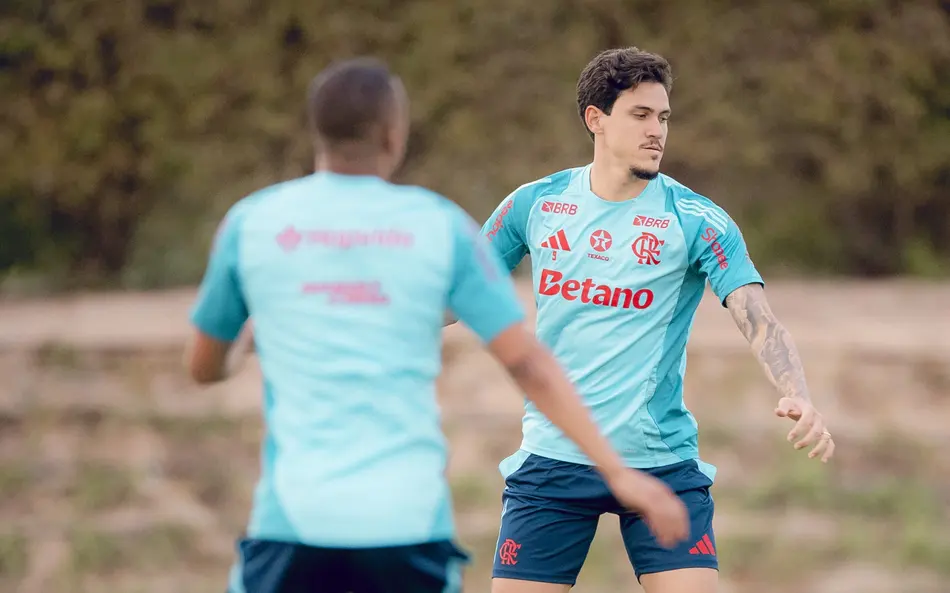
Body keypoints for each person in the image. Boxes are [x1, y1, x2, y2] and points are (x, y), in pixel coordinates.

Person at [184, 57, 690, 593]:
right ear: (393, 134)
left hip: (288, 525)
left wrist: (246, 345)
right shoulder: (439, 226)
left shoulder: (251, 222)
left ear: (317, 132)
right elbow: (525, 360)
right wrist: (616, 471)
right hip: (406, 525)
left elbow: (202, 366)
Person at [466, 47, 837, 593]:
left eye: (663, 117)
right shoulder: (536, 203)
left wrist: (798, 392)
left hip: (658, 461)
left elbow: (758, 318)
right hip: (552, 459)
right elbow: (456, 297)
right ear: (596, 119)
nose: (656, 131)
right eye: (639, 115)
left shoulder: (697, 219)